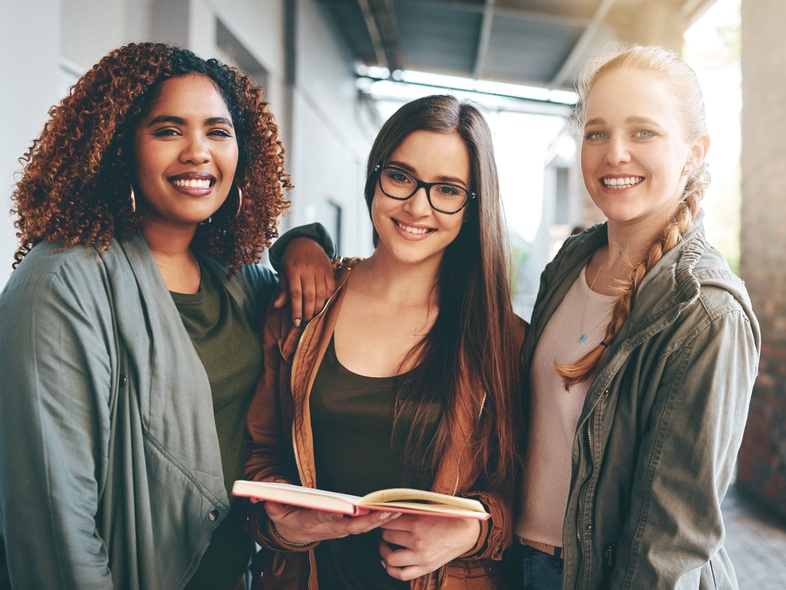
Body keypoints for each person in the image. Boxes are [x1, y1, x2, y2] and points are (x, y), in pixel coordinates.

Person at [0, 42, 336, 589]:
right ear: (118, 147)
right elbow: (53, 520)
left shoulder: (235, 277)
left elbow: (308, 306)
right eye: (168, 130)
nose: (198, 152)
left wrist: (302, 243)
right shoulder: (63, 281)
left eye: (218, 132)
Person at [244, 94, 526, 589]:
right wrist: (282, 519)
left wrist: (470, 532)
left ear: (472, 206)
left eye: (447, 189)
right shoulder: (302, 309)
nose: (417, 206)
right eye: (400, 177)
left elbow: (525, 490)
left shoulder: (502, 339)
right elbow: (259, 451)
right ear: (374, 176)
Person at [511, 45, 760, 589]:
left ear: (694, 152)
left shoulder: (707, 312)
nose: (614, 153)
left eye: (642, 132)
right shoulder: (569, 263)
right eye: (597, 132)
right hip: (520, 564)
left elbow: (672, 540)